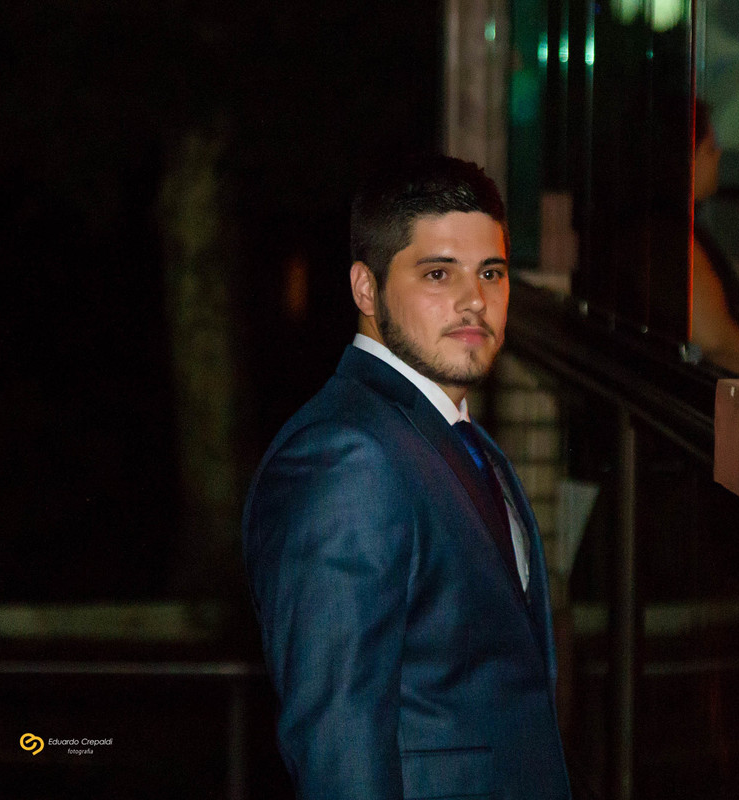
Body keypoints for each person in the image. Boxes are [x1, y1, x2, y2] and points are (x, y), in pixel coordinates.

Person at [242, 155, 571, 800]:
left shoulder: (453, 436)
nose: (474, 300)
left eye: (491, 273)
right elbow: (338, 746)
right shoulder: (348, 456)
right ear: (366, 290)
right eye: (438, 273)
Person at [691, 101, 739, 374]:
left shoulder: (694, 233)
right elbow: (717, 341)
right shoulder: (670, 240)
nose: (719, 156)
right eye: (710, 149)